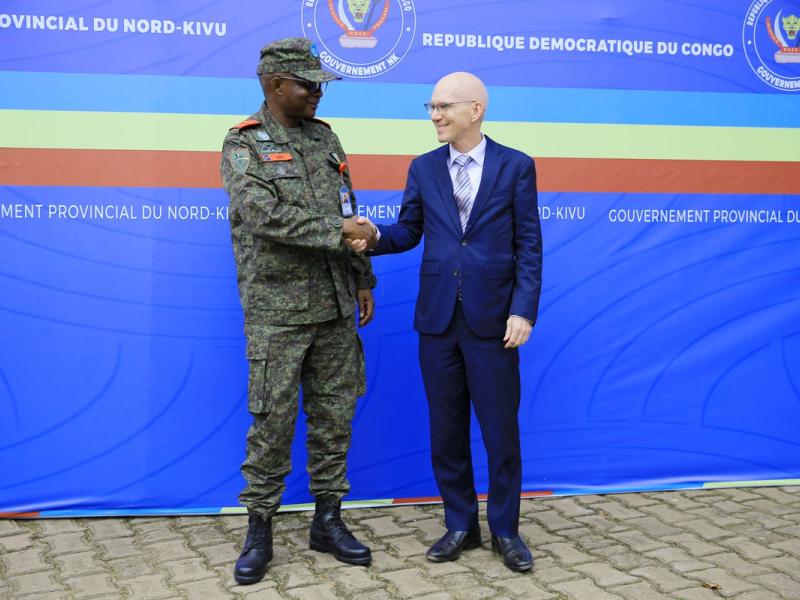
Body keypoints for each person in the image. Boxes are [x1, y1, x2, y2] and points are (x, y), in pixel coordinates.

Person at [349, 72, 542, 572]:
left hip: (494, 321)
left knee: (501, 433)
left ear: (475, 109)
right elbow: (409, 230)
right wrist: (373, 237)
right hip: (437, 321)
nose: (434, 115)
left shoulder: (516, 166)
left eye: (443, 107)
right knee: (446, 429)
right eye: (430, 106)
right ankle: (461, 524)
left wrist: (523, 310)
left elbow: (529, 246)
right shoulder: (424, 168)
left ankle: (505, 530)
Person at [220, 37, 378, 585]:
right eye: (306, 84)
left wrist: (361, 277)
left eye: (319, 84)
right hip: (278, 311)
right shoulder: (245, 144)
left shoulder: (326, 139)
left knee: (335, 417)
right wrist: (339, 232)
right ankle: (259, 526)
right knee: (273, 422)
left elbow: (347, 208)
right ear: (274, 84)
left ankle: (327, 519)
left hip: (335, 303)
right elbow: (264, 217)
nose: (316, 93)